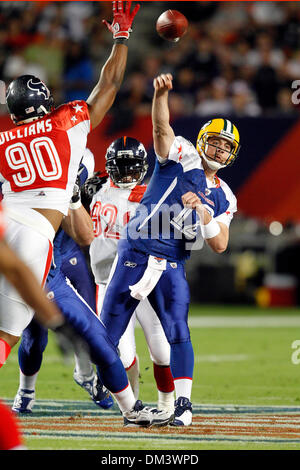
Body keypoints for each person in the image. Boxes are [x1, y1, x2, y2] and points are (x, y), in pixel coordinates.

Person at [0, 1, 172, 428]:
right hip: (34, 237)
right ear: (43, 102)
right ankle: (128, 407)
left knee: (86, 332)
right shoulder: (66, 123)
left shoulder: (2, 136)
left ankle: (131, 409)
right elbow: (109, 84)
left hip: (9, 231)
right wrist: (121, 37)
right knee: (11, 337)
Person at [100, 73, 240, 426]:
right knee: (105, 340)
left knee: (177, 331)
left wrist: (203, 213)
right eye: (216, 143)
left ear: (232, 154)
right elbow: (161, 131)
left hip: (171, 262)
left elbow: (220, 243)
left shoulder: (225, 195)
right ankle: (131, 408)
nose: (219, 150)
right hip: (135, 251)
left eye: (226, 147)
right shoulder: (185, 154)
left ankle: (183, 406)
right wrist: (160, 95)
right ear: (203, 141)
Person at [86, 137, 175, 414]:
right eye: (120, 166)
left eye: (131, 166)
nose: (126, 173)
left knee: (161, 352)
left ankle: (169, 405)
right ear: (110, 167)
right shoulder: (96, 190)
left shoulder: (150, 196)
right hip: (106, 283)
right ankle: (133, 406)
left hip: (143, 282)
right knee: (120, 356)